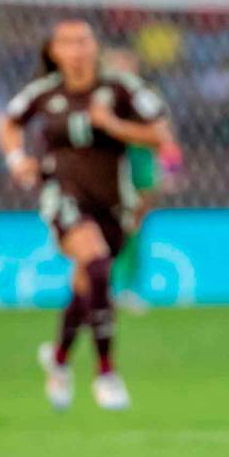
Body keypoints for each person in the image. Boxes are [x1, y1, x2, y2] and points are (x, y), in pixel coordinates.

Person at [0, 20, 170, 410]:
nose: (77, 49)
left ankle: (58, 359)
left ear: (95, 46)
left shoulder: (121, 89)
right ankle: (106, 371)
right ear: (54, 51)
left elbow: (160, 134)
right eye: (67, 42)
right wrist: (16, 158)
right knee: (96, 264)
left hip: (112, 202)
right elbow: (7, 122)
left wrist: (113, 125)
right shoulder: (43, 93)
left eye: (84, 41)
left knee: (86, 281)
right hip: (61, 194)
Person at [100, 47, 183, 313]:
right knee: (109, 225)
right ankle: (106, 287)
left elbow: (165, 134)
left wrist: (170, 169)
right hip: (109, 164)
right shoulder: (99, 97)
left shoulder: (146, 97)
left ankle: (127, 288)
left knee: (134, 224)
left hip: (140, 163)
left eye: (125, 66)